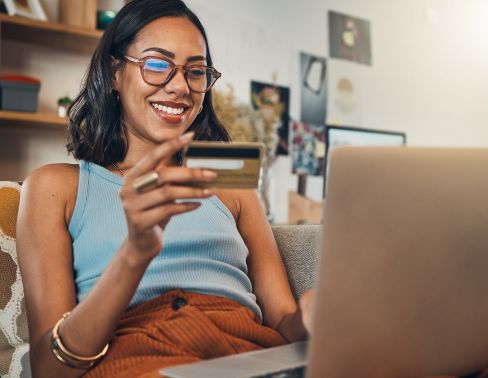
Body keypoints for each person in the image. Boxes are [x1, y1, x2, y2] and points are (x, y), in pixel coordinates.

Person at [16, 1, 312, 377]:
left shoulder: (232, 189)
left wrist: (311, 321)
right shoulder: (55, 188)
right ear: (114, 74)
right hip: (136, 353)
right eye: (157, 64)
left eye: (196, 71)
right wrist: (135, 252)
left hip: (247, 353)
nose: (179, 87)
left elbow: (283, 318)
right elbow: (50, 369)